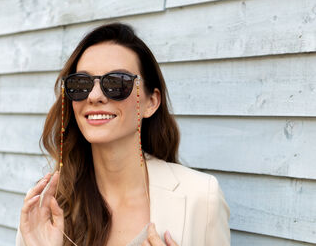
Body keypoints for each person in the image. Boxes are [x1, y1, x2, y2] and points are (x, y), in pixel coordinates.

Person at [16, 23, 230, 246]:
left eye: (116, 82)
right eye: (81, 83)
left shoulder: (201, 196)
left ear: (151, 102)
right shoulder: (44, 208)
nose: (95, 95)